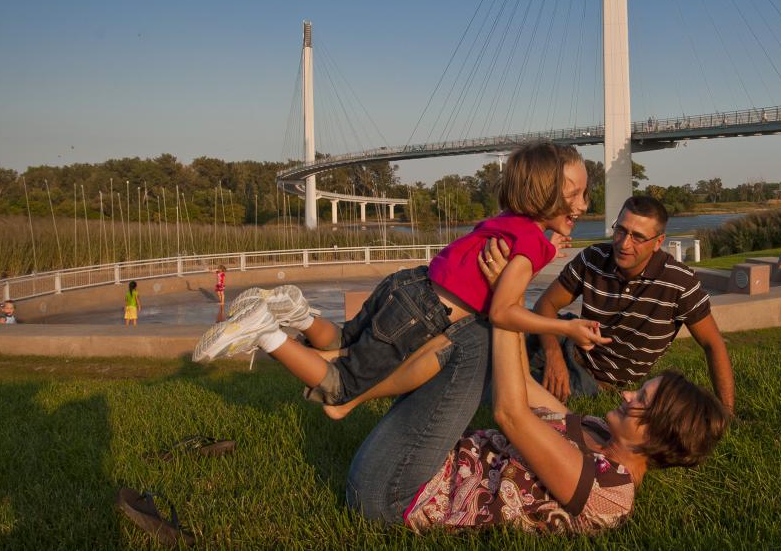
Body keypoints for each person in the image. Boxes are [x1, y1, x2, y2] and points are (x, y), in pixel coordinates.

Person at [192, 141, 603, 422]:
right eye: (576, 195)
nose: (584, 204)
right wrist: (565, 325)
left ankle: (298, 315)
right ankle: (267, 333)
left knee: (344, 343)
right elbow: (503, 312)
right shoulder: (530, 242)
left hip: (407, 286)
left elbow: (520, 249)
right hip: (424, 314)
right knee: (341, 385)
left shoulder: (511, 224)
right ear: (544, 194)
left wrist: (548, 242)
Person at [345, 318, 728, 532]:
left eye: (642, 401)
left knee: (477, 334)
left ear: (656, 435)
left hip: (396, 496)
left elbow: (511, 413)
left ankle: (344, 385)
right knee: (469, 323)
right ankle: (342, 362)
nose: (628, 395)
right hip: (418, 460)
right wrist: (509, 303)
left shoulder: (610, 493)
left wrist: (505, 303)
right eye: (640, 390)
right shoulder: (597, 431)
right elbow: (523, 386)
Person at [523, 195, 735, 409]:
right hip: (564, 338)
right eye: (621, 230)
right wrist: (553, 355)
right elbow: (545, 305)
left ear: (658, 242)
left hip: (596, 380)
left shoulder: (680, 283)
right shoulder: (593, 258)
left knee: (512, 390)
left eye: (637, 237)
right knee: (499, 333)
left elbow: (713, 344)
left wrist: (726, 412)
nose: (624, 244)